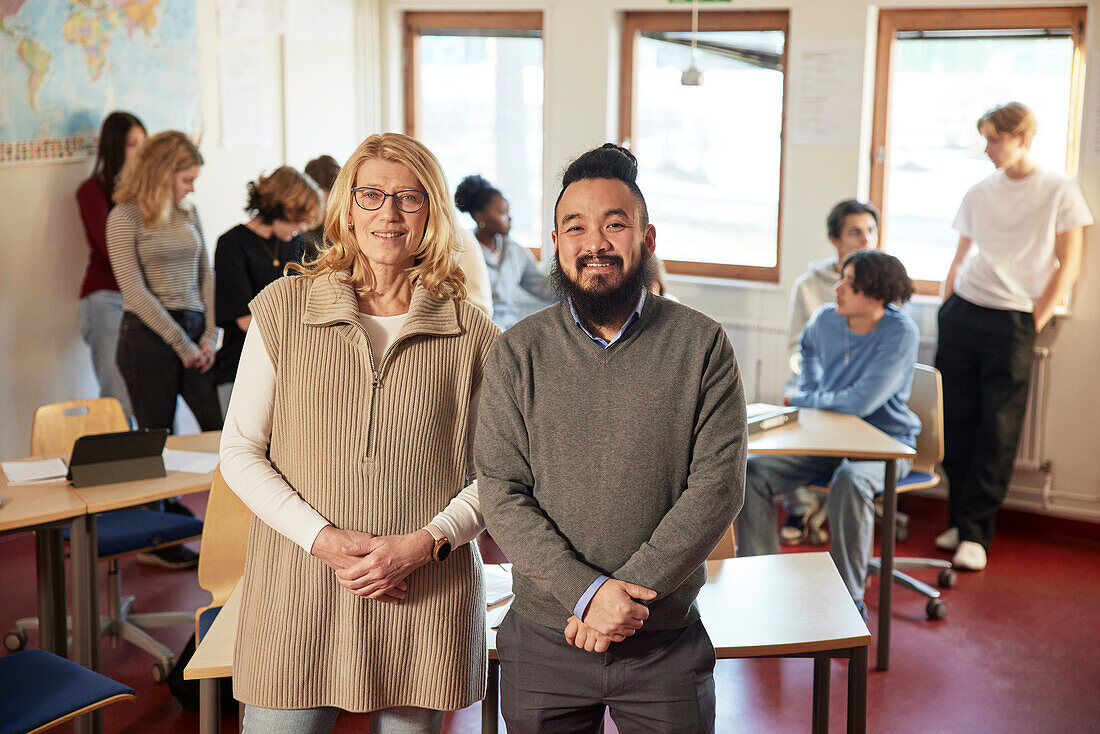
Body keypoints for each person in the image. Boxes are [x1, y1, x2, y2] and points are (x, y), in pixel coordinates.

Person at [219, 132, 499, 734]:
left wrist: (423, 544)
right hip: (299, 589)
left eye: (409, 198)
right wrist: (321, 538)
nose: (389, 215)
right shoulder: (284, 308)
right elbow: (240, 451)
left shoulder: (472, 334)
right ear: (346, 207)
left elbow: (498, 477)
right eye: (371, 195)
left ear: (434, 213)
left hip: (422, 594)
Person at [476, 143, 746, 734]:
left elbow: (718, 488)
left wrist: (624, 599)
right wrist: (588, 594)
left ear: (647, 240)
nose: (595, 243)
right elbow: (501, 492)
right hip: (546, 638)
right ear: (554, 244)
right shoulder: (517, 351)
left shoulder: (702, 344)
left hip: (663, 642)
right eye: (576, 227)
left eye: (614, 225)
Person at [935, 102, 1092, 571]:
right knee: (955, 420)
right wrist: (946, 307)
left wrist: (1033, 322)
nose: (987, 149)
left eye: (994, 140)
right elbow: (960, 256)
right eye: (984, 139)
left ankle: (977, 533)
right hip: (964, 311)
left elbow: (1070, 264)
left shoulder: (1060, 189)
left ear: (1022, 138)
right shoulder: (980, 190)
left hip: (1014, 319)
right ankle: (960, 520)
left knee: (998, 429)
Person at [737, 250, 920, 615]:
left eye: (849, 283)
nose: (837, 288)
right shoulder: (825, 319)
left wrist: (807, 397)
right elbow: (807, 350)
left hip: (885, 445)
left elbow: (860, 402)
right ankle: (761, 580)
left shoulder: (900, 332)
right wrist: (813, 386)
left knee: (850, 480)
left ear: (875, 292)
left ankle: (848, 600)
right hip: (827, 439)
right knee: (751, 471)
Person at [107, 130, 222, 568]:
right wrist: (182, 343)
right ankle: (159, 539)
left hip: (195, 335)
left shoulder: (188, 214)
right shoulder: (125, 216)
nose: (192, 188)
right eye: (187, 178)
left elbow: (206, 277)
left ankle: (238, 525)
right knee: (158, 439)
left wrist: (210, 336)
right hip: (148, 339)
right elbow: (134, 292)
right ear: (161, 174)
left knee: (221, 430)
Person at [780, 199, 879, 544]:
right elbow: (798, 347)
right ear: (835, 240)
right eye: (856, 232)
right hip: (819, 374)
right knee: (795, 396)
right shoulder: (809, 286)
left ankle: (833, 504)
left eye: (870, 231)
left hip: (861, 383)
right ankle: (800, 506)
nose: (866, 239)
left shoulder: (884, 286)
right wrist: (814, 380)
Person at [213, 166, 322, 415]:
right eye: (298, 220)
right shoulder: (232, 244)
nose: (302, 228)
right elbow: (244, 320)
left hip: (289, 370)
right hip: (241, 368)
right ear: (281, 209)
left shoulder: (297, 244)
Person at [76, 111, 146, 419]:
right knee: (118, 399)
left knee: (148, 398)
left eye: (143, 143)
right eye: (132, 144)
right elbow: (113, 250)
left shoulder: (147, 192)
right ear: (115, 146)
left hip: (142, 300)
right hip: (107, 298)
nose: (140, 152)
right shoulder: (92, 191)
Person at [455, 174, 555, 328]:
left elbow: (542, 286)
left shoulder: (514, 249)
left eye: (508, 212)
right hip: (476, 329)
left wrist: (579, 289)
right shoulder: (462, 250)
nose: (509, 218)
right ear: (480, 216)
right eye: (502, 213)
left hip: (509, 328)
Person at [302, 154, 341, 261]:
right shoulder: (302, 236)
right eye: (323, 201)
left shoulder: (348, 229)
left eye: (334, 200)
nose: (329, 209)